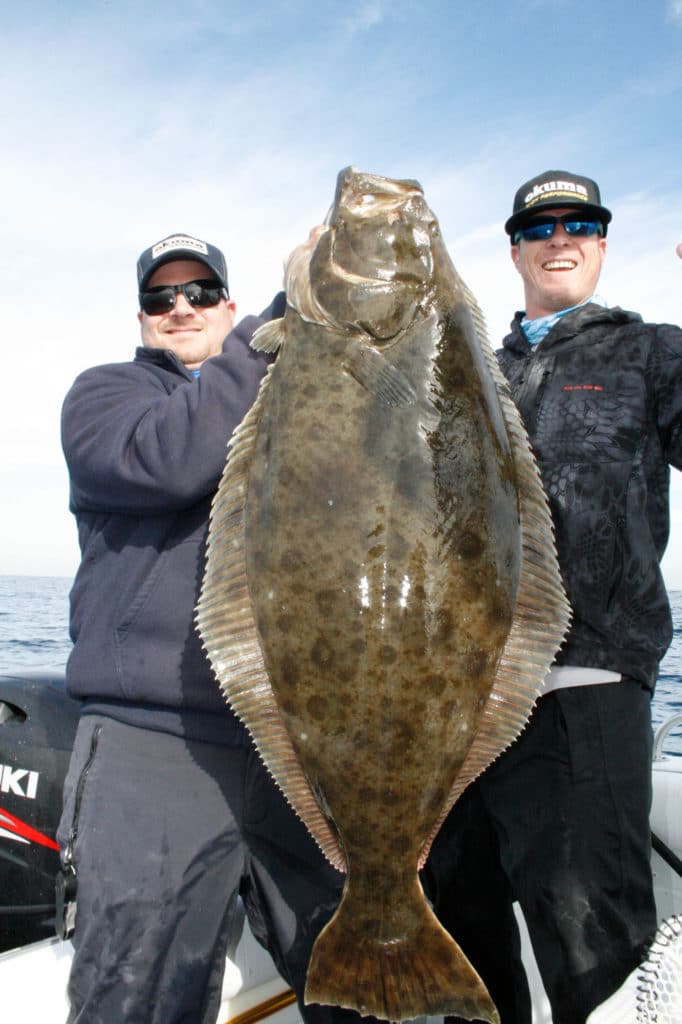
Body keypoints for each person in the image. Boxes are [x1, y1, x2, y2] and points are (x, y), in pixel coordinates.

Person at [57, 233, 368, 1024]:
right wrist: (284, 325)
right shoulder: (107, 398)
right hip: (153, 740)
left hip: (298, 742)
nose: (181, 308)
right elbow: (172, 458)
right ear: (142, 318)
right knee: (140, 992)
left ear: (228, 306)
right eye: (162, 298)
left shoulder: (291, 401)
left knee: (354, 977)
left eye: (200, 292)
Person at [424, 171, 682, 1024]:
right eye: (540, 228)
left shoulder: (653, 354)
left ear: (604, 243)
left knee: (591, 949)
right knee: (459, 929)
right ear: (515, 250)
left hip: (585, 690)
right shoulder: (470, 372)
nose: (559, 239)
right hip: (460, 704)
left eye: (581, 224)